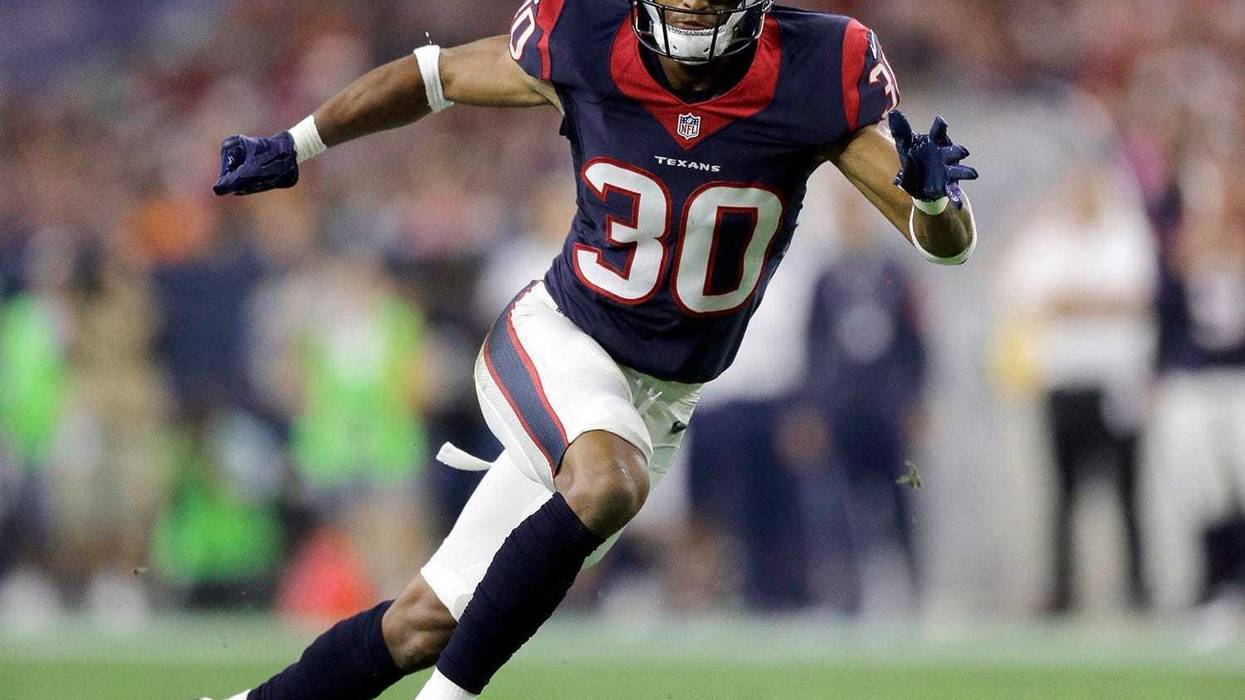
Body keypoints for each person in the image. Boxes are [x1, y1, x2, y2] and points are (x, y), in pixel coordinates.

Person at [208, 1, 978, 698]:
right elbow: (433, 75)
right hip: (558, 337)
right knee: (607, 477)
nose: (690, 11)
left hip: (662, 399)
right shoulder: (586, 33)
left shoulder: (819, 68)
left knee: (424, 623)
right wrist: (298, 142)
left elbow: (943, 242)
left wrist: (937, 200)